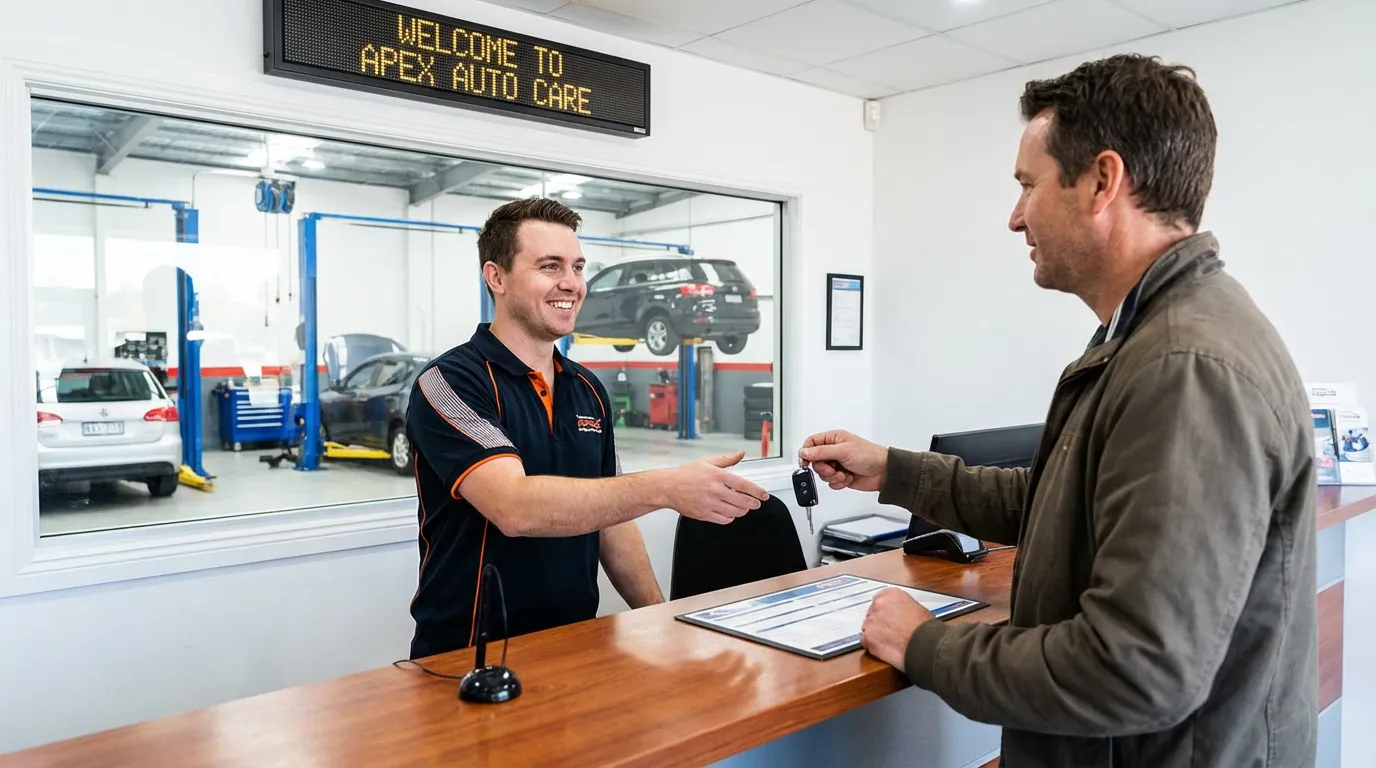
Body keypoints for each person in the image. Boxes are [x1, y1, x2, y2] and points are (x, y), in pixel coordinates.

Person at [800, 54, 1317, 767]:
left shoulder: (1184, 367)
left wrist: (925, 643)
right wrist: (892, 469)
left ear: (1103, 181)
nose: (1015, 218)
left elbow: (1132, 668)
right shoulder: (1150, 336)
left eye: (1028, 185)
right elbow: (1056, 502)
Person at [405, 197, 769, 660]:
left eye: (578, 267)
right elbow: (514, 508)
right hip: (467, 658)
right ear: (496, 277)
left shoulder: (588, 390)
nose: (571, 284)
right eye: (549, 266)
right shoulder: (450, 383)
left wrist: (663, 621)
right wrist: (666, 487)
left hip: (577, 647)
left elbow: (611, 524)